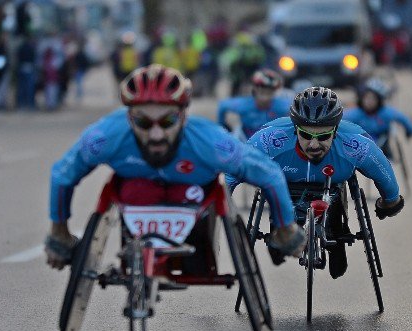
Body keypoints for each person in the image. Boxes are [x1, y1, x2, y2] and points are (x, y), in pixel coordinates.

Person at [45, 64, 305, 269]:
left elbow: (269, 174)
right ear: (128, 118)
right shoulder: (104, 137)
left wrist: (285, 228)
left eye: (168, 120)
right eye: (144, 123)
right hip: (136, 191)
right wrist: (59, 234)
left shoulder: (210, 141)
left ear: (183, 116)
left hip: (192, 193)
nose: (156, 135)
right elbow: (62, 175)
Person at [227, 87, 404, 278]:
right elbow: (232, 172)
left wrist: (390, 202)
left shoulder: (355, 144)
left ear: (336, 131)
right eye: (306, 135)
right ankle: (278, 231)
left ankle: (336, 232)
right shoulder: (269, 140)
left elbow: (386, 178)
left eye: (323, 136)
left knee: (335, 193)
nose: (313, 144)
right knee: (273, 189)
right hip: (283, 188)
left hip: (331, 187)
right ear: (295, 129)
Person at [343, 78, 412, 160]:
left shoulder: (386, 113)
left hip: (383, 150)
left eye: (373, 99)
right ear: (361, 99)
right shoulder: (354, 114)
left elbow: (403, 119)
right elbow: (340, 125)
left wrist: (409, 131)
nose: (369, 102)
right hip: (359, 151)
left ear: (379, 101)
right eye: (366, 98)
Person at [217, 68, 290, 140]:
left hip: (271, 142)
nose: (265, 91)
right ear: (254, 89)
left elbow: (297, 110)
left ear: (274, 91)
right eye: (261, 87)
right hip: (246, 141)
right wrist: (223, 126)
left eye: (269, 89)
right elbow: (222, 105)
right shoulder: (243, 105)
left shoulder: (282, 106)